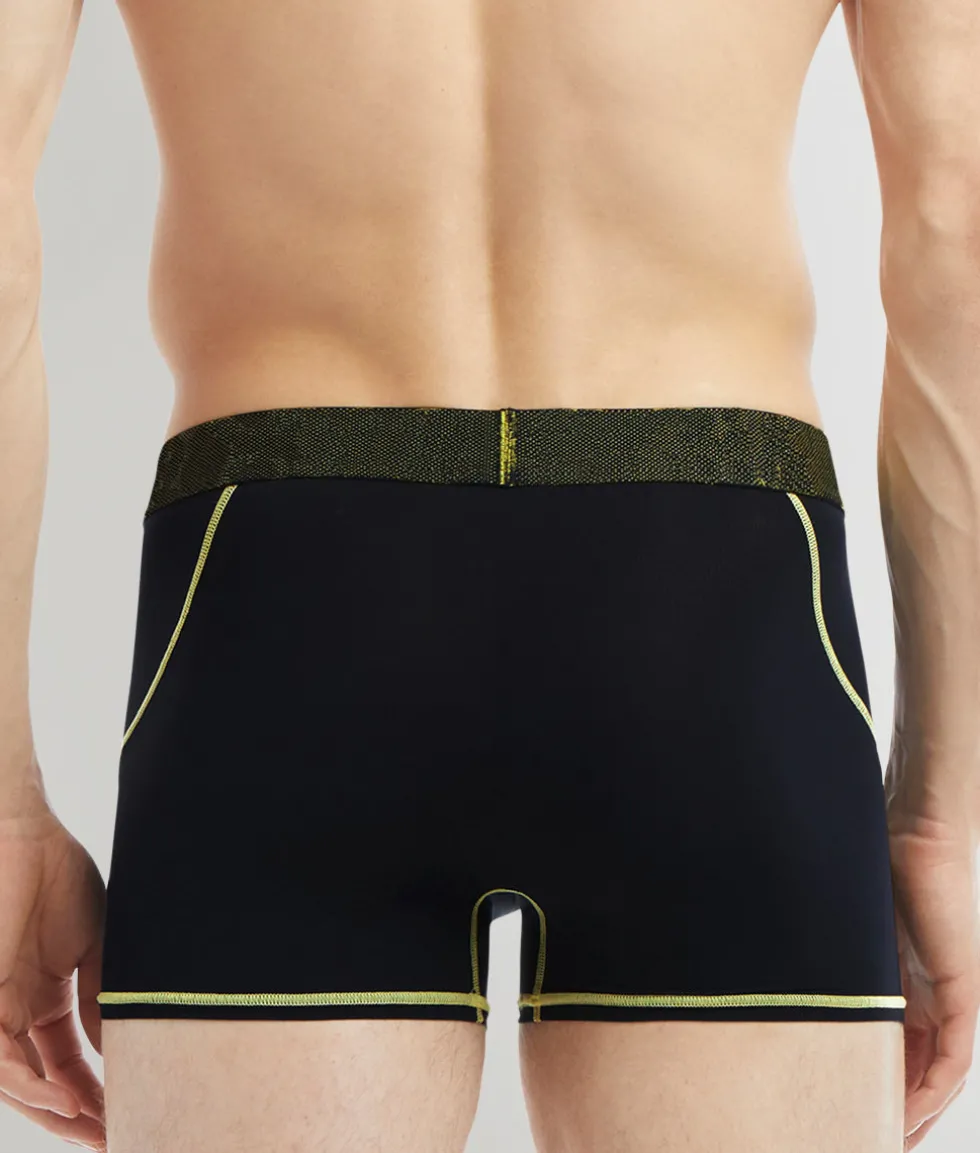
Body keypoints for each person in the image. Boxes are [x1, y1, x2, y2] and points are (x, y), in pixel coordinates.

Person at [2, 0, 978, 1150]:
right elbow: (951, 225)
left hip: (285, 605)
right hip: (713, 615)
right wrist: (940, 818)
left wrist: (4, 808)